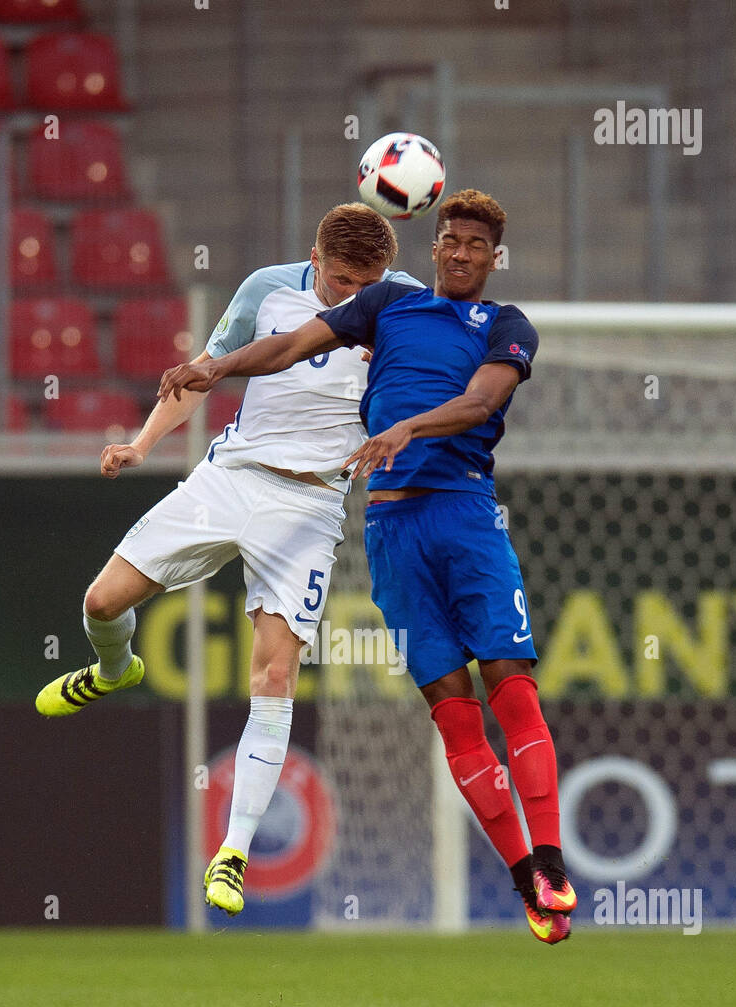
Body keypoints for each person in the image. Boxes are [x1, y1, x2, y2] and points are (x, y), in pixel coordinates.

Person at [158, 189, 575, 944]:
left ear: (492, 257)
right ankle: (525, 882)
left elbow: (481, 403)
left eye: (474, 245)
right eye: (449, 239)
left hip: (465, 516)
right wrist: (213, 366)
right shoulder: (385, 303)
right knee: (453, 713)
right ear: (437, 244)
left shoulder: (504, 327)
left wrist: (404, 426)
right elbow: (288, 347)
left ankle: (550, 858)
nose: (458, 252)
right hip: (391, 530)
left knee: (510, 689)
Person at [36, 203, 420, 917]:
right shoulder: (266, 290)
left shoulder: (400, 309)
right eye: (340, 282)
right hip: (230, 478)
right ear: (315, 256)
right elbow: (202, 373)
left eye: (364, 285)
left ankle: (236, 851)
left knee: (273, 672)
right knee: (100, 602)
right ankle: (116, 670)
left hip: (308, 507)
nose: (351, 298)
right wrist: (142, 445)